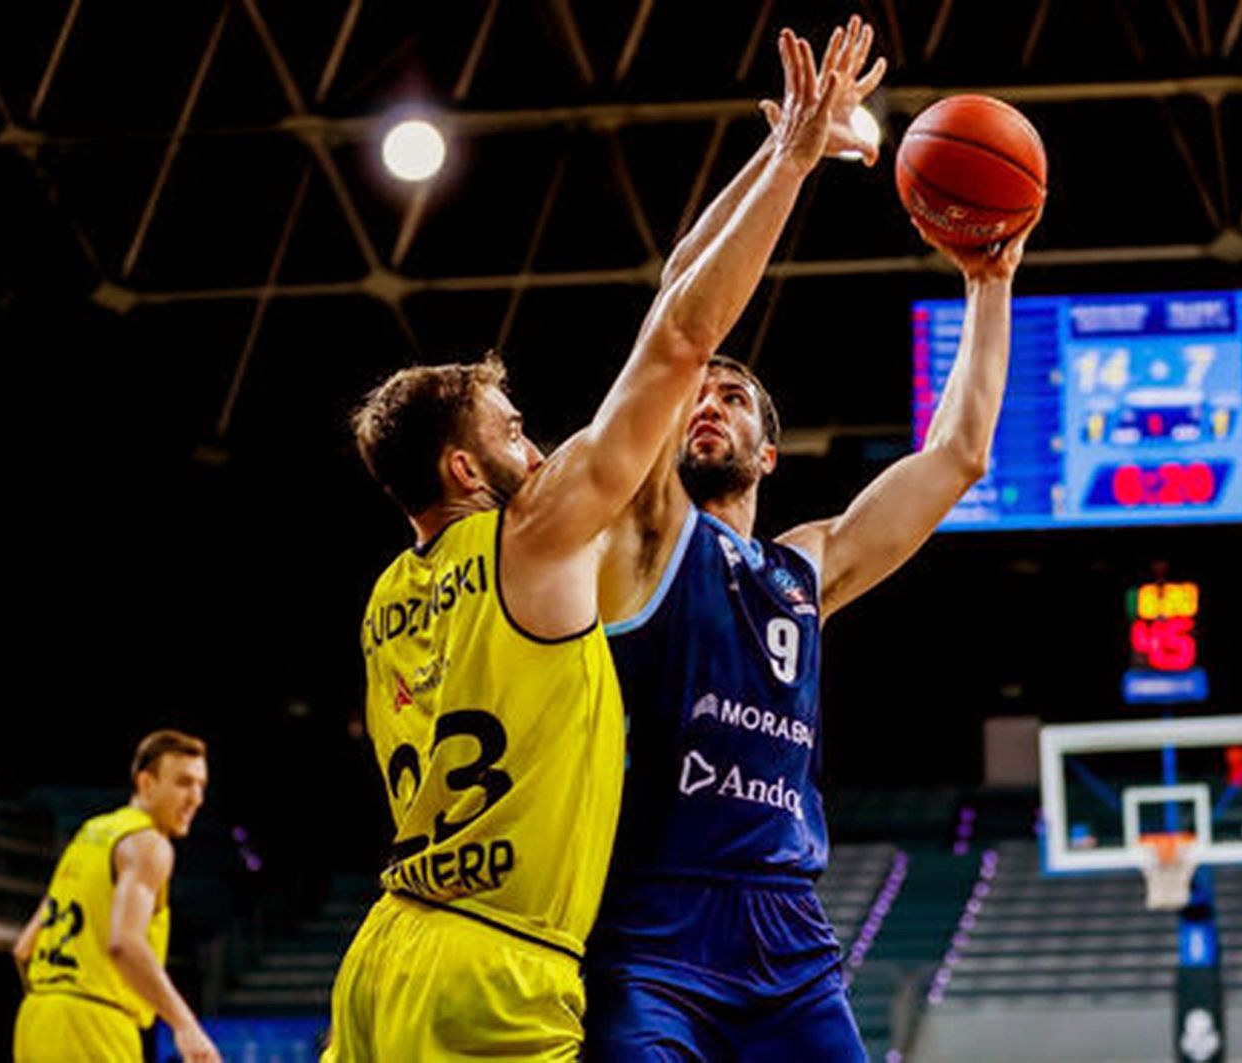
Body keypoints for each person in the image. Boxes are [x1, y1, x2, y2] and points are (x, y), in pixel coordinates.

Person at [321, 24, 847, 1061]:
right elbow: (680, 337)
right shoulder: (536, 532)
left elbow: (667, 301)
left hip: (385, 949)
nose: (538, 441)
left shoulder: (391, 589)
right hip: (498, 960)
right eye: (512, 432)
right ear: (467, 475)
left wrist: (775, 146)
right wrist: (789, 163)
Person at [585, 28, 1041, 1057]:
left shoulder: (804, 568)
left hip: (786, 931)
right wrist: (787, 151)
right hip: (651, 922)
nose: (710, 401)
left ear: (771, 450)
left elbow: (959, 452)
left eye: (735, 398)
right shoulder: (645, 530)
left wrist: (987, 282)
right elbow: (678, 314)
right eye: (699, 395)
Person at [12, 730, 218, 1063]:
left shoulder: (89, 834)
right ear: (146, 783)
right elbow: (124, 943)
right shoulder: (149, 844)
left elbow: (24, 948)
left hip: (36, 1018)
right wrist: (185, 1025)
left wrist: (59, 1003)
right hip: (97, 1021)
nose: (196, 798)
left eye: (201, 785)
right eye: (183, 783)